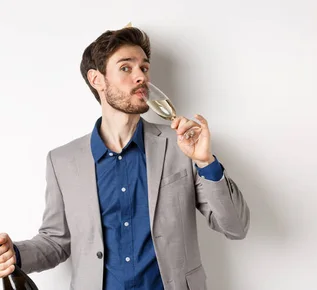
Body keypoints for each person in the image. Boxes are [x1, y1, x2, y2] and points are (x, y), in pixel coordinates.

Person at [0, 26, 250, 290]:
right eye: (126, 68)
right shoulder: (62, 161)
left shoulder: (181, 146)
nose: (141, 76)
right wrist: (14, 254)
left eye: (144, 68)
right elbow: (55, 241)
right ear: (97, 79)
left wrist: (205, 162)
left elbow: (235, 227)